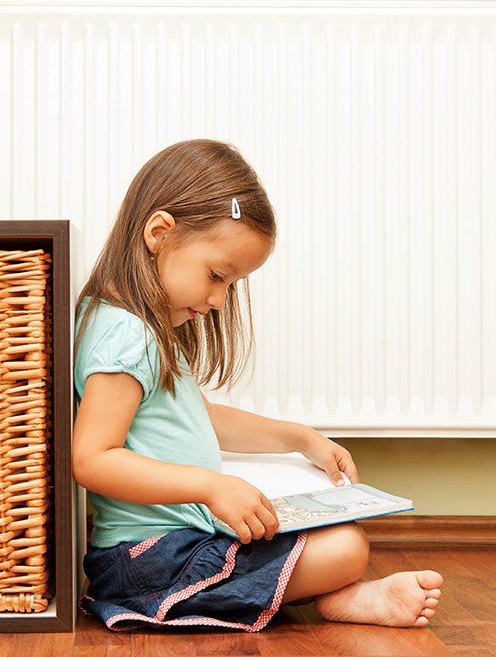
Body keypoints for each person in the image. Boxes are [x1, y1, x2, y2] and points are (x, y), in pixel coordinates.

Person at [72, 139, 443, 632]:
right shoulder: (126, 335)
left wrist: (299, 438)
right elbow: (92, 457)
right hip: (148, 561)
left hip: (172, 545)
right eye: (217, 276)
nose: (220, 300)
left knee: (337, 537)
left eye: (230, 285)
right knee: (346, 547)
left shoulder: (138, 326)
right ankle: (337, 595)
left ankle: (330, 595)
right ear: (159, 233)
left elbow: (200, 418)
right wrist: (210, 485)